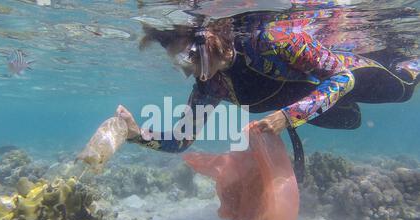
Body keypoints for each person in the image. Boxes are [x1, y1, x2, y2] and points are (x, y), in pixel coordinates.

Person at [115, 5, 419, 181]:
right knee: (349, 121)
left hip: (350, 73)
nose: (193, 72)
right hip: (315, 101)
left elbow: (341, 79)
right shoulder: (211, 86)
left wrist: (288, 117)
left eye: (192, 59)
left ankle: (409, 59)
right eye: (182, 65)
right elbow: (181, 140)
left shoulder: (271, 39)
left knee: (404, 89)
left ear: (209, 37)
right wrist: (136, 134)